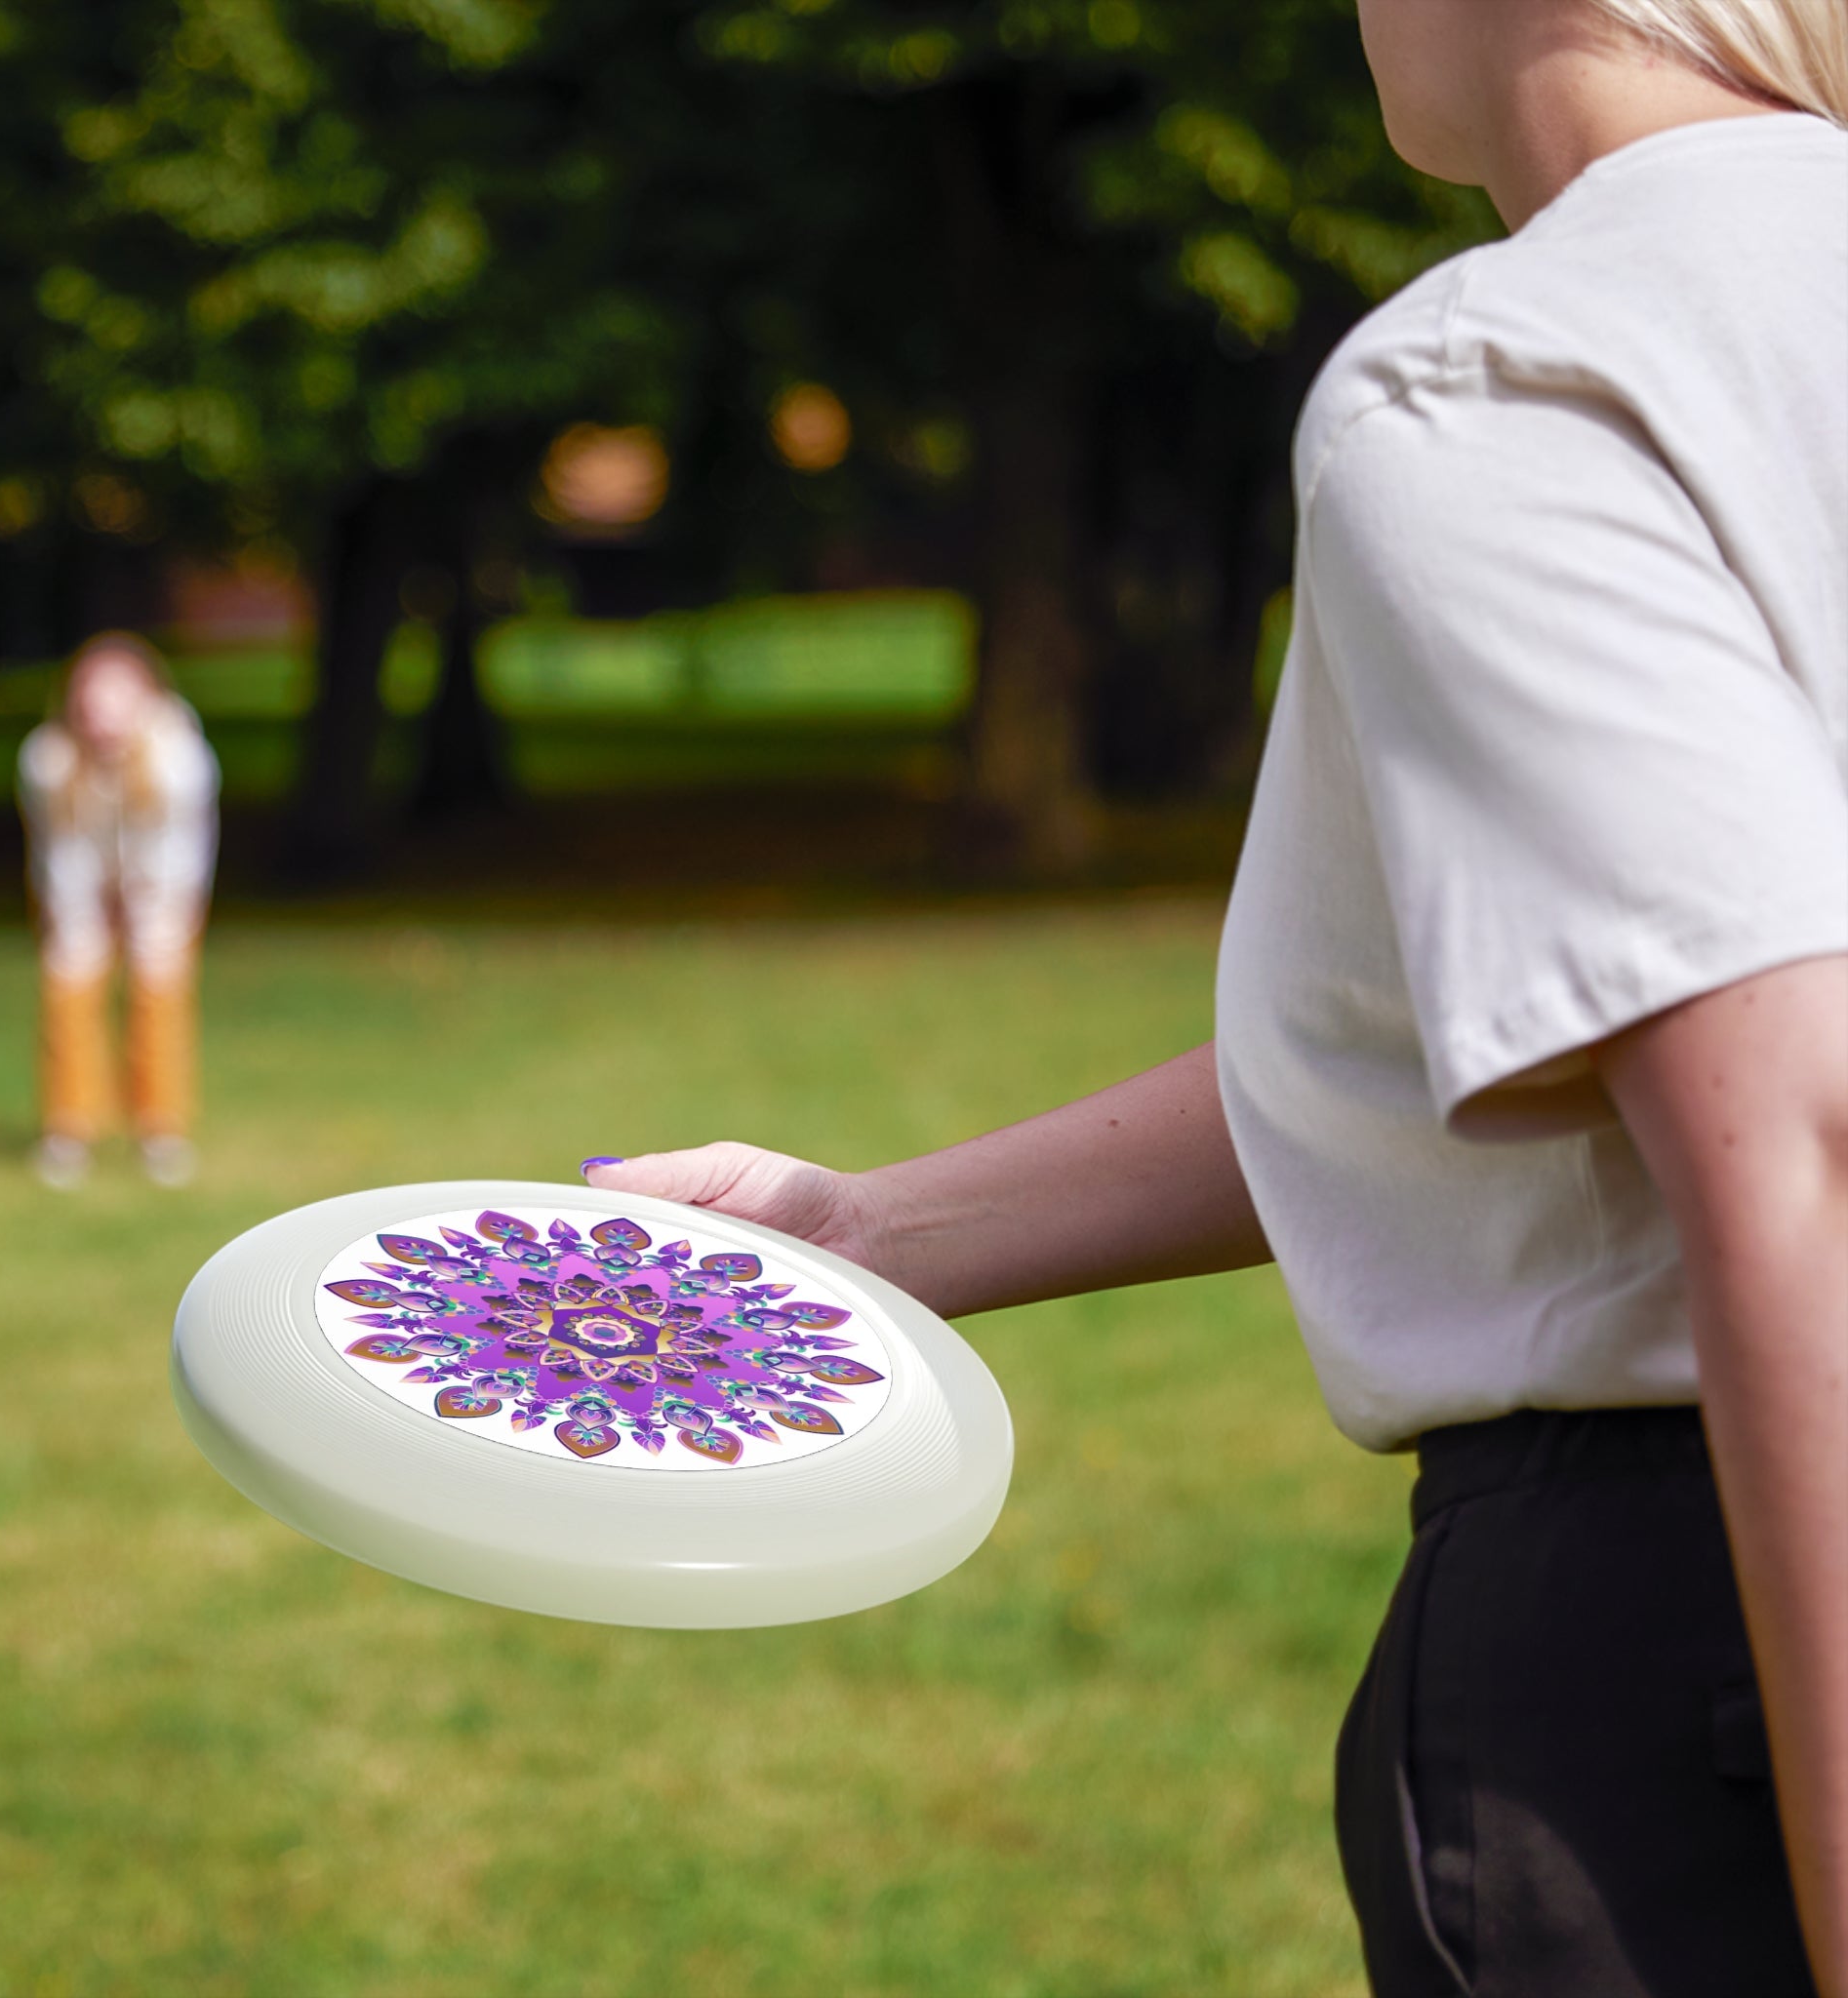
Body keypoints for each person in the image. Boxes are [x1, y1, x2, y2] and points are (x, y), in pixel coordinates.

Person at [580, 2, 1848, 1991]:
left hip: (1707, 1643)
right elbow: (1538, 1023)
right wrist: (870, 1229)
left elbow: (1799, 1137)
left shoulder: (1514, 374)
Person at [18, 632, 221, 1189]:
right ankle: (69, 1128)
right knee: (69, 985)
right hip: (78, 886)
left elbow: (178, 851)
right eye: (91, 698)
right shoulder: (48, 760)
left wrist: (147, 912)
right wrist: (82, 918)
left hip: (162, 888)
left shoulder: (180, 758)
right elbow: (61, 851)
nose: (102, 714)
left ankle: (160, 1129)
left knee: (159, 991)